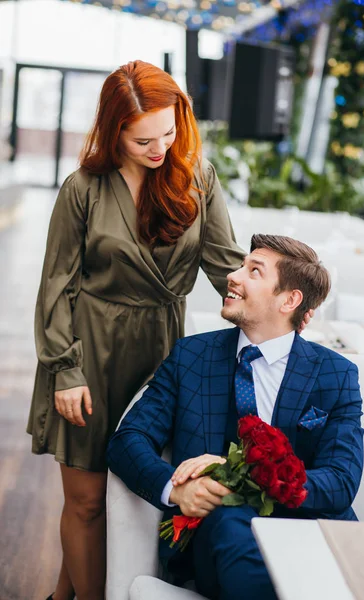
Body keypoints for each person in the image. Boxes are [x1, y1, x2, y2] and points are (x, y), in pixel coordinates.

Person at [27, 60, 248, 600]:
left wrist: (271, 311)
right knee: (86, 500)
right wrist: (64, 370)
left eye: (169, 132)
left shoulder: (198, 177)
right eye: (142, 138)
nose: (160, 148)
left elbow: (224, 265)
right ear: (113, 130)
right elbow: (57, 285)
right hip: (89, 353)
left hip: (163, 354)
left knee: (133, 498)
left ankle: (63, 593)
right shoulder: (83, 189)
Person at [108, 234, 364, 600]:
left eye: (253, 272)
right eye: (241, 265)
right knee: (230, 521)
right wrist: (177, 489)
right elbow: (127, 440)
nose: (234, 275)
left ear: (289, 300)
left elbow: (340, 480)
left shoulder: (335, 375)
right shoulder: (191, 357)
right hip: (216, 535)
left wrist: (246, 476)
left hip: (305, 535)